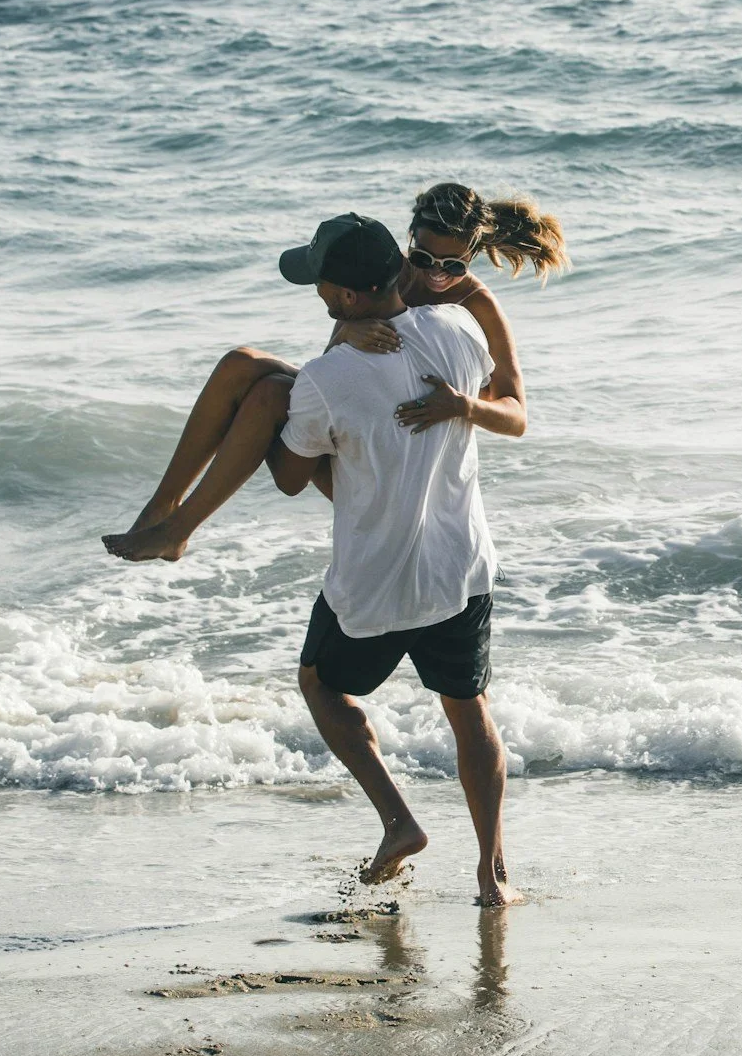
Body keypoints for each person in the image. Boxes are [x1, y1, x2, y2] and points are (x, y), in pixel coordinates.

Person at [257, 211, 523, 908]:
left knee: (319, 682)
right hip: (457, 571)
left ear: (344, 297)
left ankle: (399, 819)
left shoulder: (324, 376)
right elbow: (501, 402)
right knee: (471, 714)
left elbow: (289, 474)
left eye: (320, 282)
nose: (316, 289)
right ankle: (493, 877)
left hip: (373, 585)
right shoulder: (462, 333)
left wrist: (279, 402)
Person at [100, 183, 564, 561]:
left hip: (400, 469)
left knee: (268, 394)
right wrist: (347, 335)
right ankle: (164, 509)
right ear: (410, 243)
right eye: (423, 259)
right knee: (239, 364)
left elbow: (517, 416)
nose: (434, 277)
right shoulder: (386, 275)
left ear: (474, 255)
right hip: (358, 426)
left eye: (453, 266)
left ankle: (178, 530)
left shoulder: (477, 305)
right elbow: (332, 365)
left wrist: (464, 406)